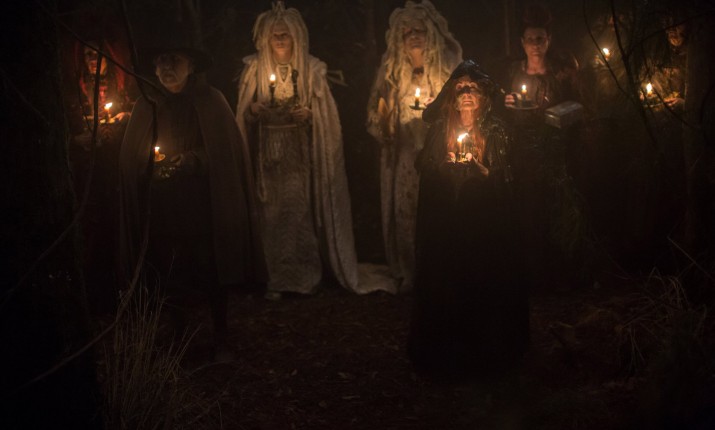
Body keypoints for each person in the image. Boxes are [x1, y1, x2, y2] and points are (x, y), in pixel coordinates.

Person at [119, 34, 267, 359]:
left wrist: (190, 161)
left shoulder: (211, 101)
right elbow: (132, 160)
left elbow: (224, 154)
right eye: (161, 61)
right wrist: (151, 165)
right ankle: (179, 333)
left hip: (203, 204)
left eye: (174, 60)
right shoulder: (147, 104)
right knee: (169, 270)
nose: (166, 67)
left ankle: (220, 332)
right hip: (162, 207)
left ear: (192, 65)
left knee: (209, 267)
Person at [408, 60, 527, 379]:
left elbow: (508, 179)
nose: (466, 92)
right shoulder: (440, 129)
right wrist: (443, 171)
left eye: (473, 87)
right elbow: (426, 169)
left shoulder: (497, 131)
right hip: (448, 224)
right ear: (450, 94)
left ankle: (487, 355)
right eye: (460, 86)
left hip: (484, 226)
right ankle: (446, 355)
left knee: (482, 282)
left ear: (485, 95)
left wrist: (484, 174)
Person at [236, 1, 362, 298]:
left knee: (297, 209)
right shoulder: (255, 69)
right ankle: (274, 278)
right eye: (275, 35)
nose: (280, 40)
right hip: (267, 155)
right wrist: (253, 111)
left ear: (296, 37)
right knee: (270, 213)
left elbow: (326, 116)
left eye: (285, 35)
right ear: (266, 38)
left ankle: (304, 276)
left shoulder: (311, 69)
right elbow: (243, 115)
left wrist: (310, 115)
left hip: (299, 153)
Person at [366, 0, 462, 293]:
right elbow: (375, 113)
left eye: (419, 30)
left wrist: (441, 111)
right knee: (405, 213)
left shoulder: (446, 70)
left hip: (438, 156)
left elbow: (464, 108)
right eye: (407, 32)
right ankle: (410, 272)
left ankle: (441, 271)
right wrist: (385, 123)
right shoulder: (391, 73)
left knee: (439, 213)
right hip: (405, 157)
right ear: (400, 38)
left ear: (430, 33)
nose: (414, 36)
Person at [503, 3, 588, 290]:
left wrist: (563, 115)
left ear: (548, 40)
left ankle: (560, 276)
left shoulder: (562, 73)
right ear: (522, 43)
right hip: (524, 155)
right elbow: (500, 111)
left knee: (557, 209)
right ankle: (532, 277)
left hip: (557, 153)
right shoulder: (513, 72)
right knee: (528, 211)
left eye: (540, 39)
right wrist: (507, 104)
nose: (535, 45)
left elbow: (580, 106)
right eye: (530, 39)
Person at [62, 30, 137, 314]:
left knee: (117, 223)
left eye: (98, 54)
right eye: (88, 55)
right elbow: (64, 128)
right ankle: (94, 297)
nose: (93, 59)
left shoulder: (124, 87)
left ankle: (124, 291)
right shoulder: (73, 90)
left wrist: (125, 118)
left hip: (114, 168)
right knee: (91, 228)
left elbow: (138, 114)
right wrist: (77, 140)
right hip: (86, 172)